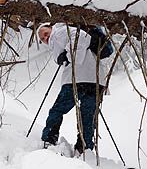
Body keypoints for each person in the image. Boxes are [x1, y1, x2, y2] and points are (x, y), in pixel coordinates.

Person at [37, 23, 105, 155]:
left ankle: (49, 139)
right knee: (88, 116)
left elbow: (79, 39)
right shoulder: (58, 38)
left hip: (76, 80)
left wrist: (68, 57)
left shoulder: (59, 32)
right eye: (42, 39)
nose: (45, 38)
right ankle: (84, 148)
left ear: (51, 27)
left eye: (45, 33)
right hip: (95, 80)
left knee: (57, 110)